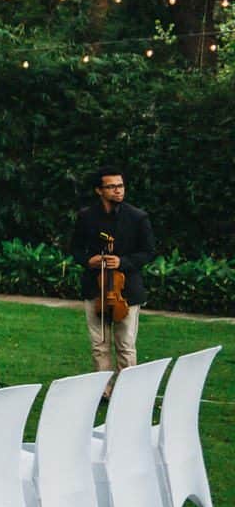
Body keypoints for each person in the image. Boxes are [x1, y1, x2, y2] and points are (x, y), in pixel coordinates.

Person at [67, 165, 157, 393]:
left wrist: (123, 262)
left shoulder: (138, 217)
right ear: (99, 190)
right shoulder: (86, 217)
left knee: (126, 345)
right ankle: (104, 391)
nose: (118, 191)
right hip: (94, 288)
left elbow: (148, 252)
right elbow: (76, 248)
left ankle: (128, 392)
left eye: (121, 186)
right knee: (100, 345)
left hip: (125, 291)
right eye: (112, 187)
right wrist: (89, 260)